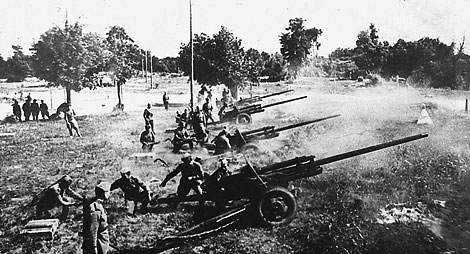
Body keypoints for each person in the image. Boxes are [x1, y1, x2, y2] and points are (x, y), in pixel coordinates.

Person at [82, 182, 110, 254]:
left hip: (101, 242)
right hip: (98, 245)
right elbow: (93, 231)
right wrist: (94, 248)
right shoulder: (96, 209)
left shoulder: (97, 204)